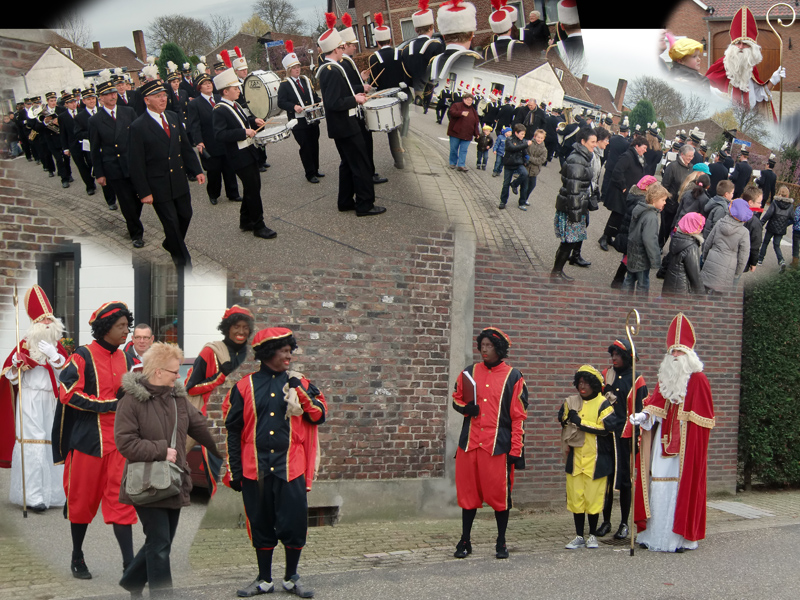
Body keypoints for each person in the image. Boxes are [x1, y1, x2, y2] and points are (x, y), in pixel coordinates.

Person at [224, 328, 327, 598]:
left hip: (290, 466)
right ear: (268, 353)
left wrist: (299, 392)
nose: (289, 356)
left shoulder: (301, 382)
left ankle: (292, 578)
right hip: (253, 468)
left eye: (290, 350)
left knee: (294, 523)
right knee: (260, 522)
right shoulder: (243, 387)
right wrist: (234, 470)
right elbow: (233, 431)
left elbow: (319, 416)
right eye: (284, 351)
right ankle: (264, 579)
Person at [115, 343, 221, 598]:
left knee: (161, 542)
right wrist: (161, 450)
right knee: (160, 544)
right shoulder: (130, 401)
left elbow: (200, 428)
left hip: (174, 481)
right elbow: (125, 443)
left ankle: (131, 580)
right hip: (146, 483)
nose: (179, 376)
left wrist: (226, 451)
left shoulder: (178, 399)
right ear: (158, 372)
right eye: (175, 371)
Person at [54, 302, 138, 579]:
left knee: (122, 503)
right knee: (81, 503)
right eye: (121, 327)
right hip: (88, 442)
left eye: (128, 325)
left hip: (119, 444)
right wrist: (108, 405)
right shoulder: (82, 356)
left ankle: (129, 564)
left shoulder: (127, 359)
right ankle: (77, 555)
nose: (127, 331)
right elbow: (66, 392)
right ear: (105, 329)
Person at [632, 313, 715, 552]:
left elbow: (704, 420)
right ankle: (654, 535)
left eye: (680, 352)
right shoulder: (664, 379)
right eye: (673, 352)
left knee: (682, 486)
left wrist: (688, 429)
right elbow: (656, 406)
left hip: (685, 446)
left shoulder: (698, 380)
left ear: (689, 354)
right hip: (661, 442)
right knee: (656, 483)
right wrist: (644, 416)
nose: (675, 356)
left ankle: (681, 538)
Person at [452, 327, 528, 560]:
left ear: (499, 349)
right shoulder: (469, 372)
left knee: (499, 497)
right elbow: (456, 398)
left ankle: (501, 541)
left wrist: (516, 450)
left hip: (497, 447)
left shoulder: (514, 377)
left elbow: (518, 417)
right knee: (468, 496)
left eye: (489, 346)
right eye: (482, 345)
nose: (484, 349)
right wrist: (467, 408)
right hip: (470, 445)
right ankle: (465, 540)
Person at [0, 286, 68, 511]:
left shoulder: (58, 348)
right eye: (43, 321)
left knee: (51, 444)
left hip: (51, 401)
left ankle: (54, 494)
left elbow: (68, 376)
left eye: (50, 320)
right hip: (28, 400)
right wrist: (18, 365)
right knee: (33, 444)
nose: (48, 324)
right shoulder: (24, 346)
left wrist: (55, 357)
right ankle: (34, 496)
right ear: (35, 325)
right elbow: (8, 375)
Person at [128, 72, 206, 268]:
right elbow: (135, 163)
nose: (164, 99)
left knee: (186, 215)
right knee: (170, 223)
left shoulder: (171, 117)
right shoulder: (138, 126)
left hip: (179, 179)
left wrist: (196, 169)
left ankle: (169, 242)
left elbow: (185, 147)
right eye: (158, 96)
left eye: (164, 95)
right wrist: (144, 192)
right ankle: (184, 264)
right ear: (147, 100)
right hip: (158, 185)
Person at [184, 305, 254, 494]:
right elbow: (190, 388)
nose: (241, 331)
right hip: (215, 425)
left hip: (246, 422)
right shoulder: (211, 352)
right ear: (227, 327)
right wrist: (219, 376)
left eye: (245, 327)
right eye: (236, 326)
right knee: (217, 478)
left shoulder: (253, 354)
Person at [210, 53, 281, 235]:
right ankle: (258, 226)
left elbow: (241, 121)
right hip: (238, 155)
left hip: (248, 151)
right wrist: (243, 132)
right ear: (225, 91)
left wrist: (253, 121)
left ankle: (245, 221)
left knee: (252, 188)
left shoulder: (235, 105)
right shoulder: (220, 110)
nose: (239, 91)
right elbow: (220, 134)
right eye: (235, 88)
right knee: (253, 189)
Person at [559, 365, 619, 549]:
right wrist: (569, 419)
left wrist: (581, 423)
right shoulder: (571, 401)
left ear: (594, 384)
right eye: (580, 382)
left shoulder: (603, 403)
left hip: (596, 460)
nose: (582, 386)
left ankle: (592, 535)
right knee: (576, 499)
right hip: (575, 459)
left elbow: (607, 429)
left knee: (593, 499)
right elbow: (563, 419)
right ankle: (579, 535)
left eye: (586, 383)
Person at [597, 340, 647, 539]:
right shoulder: (606, 375)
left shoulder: (637, 380)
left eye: (618, 355)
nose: (614, 358)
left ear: (627, 356)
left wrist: (636, 442)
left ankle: (624, 522)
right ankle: (606, 521)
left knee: (625, 481)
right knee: (605, 479)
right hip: (605, 435)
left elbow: (640, 412)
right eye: (613, 355)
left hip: (625, 438)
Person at [89, 72, 145, 245]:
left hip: (133, 163)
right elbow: (95, 149)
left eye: (114, 93)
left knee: (139, 198)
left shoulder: (128, 112)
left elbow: (139, 138)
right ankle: (136, 233)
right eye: (108, 94)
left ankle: (133, 221)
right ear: (101, 98)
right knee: (126, 202)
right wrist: (99, 173)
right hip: (114, 166)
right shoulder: (95, 120)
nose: (113, 96)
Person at [705, 6, 785, 121]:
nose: (741, 47)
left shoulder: (750, 68)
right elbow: (705, 87)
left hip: (748, 119)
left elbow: (758, 96)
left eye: (745, 43)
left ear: (753, 48)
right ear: (732, 45)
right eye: (738, 43)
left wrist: (773, 80)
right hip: (725, 119)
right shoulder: (722, 65)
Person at [187, 65, 242, 205]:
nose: (208, 85)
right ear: (199, 87)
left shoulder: (220, 98)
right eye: (204, 84)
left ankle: (233, 193)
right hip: (209, 142)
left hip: (225, 140)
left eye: (209, 83)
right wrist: (199, 141)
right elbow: (194, 125)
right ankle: (214, 194)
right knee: (214, 172)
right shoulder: (195, 104)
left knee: (229, 168)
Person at [367, 13, 412, 166]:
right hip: (404, 94)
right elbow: (408, 74)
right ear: (390, 40)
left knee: (392, 129)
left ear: (377, 42)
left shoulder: (374, 58)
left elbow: (374, 83)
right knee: (405, 124)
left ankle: (399, 161)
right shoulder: (401, 52)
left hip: (386, 98)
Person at [552, 127, 596, 282]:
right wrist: (575, 214)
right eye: (592, 142)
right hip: (571, 207)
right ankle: (556, 273)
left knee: (567, 243)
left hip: (573, 206)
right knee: (568, 243)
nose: (594, 145)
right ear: (583, 142)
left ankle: (558, 271)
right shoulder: (578, 159)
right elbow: (573, 190)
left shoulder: (582, 157)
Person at [277, 43, 324, 184]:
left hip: (312, 119)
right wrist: (293, 107)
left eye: (298, 67)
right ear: (288, 70)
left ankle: (315, 169)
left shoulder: (306, 80)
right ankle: (309, 173)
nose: (297, 70)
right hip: (298, 122)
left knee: (314, 144)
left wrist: (320, 100)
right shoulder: (284, 85)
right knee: (305, 147)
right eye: (294, 68)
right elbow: (281, 102)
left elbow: (314, 96)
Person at [601, 136, 648, 252]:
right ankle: (604, 237)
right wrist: (623, 188)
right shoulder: (627, 156)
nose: (645, 150)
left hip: (629, 191)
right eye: (644, 147)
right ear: (637, 146)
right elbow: (617, 172)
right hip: (621, 191)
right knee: (617, 215)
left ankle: (609, 237)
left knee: (621, 216)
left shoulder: (639, 157)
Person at [623, 183, 668, 294]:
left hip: (633, 250)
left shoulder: (639, 208)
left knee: (629, 279)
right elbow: (650, 240)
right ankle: (639, 306)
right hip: (642, 255)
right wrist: (655, 259)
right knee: (643, 284)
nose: (665, 202)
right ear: (654, 200)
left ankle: (623, 302)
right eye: (663, 200)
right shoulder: (651, 217)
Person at [701, 198, 752, 293]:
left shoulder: (720, 223)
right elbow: (743, 256)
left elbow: (708, 242)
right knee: (718, 297)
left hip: (711, 261)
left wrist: (704, 257)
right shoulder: (744, 232)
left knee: (703, 292)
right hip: (728, 269)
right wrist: (737, 272)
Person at [402, 1, 444, 113]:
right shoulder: (436, 46)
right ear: (431, 27)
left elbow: (406, 75)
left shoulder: (406, 49)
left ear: (415, 30)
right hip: (434, 95)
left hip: (414, 93)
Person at [59, 92, 96, 196]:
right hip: (73, 144)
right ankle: (89, 186)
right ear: (66, 104)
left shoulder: (82, 111)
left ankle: (93, 179)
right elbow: (63, 133)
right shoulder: (63, 116)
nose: (73, 104)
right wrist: (65, 148)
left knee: (90, 162)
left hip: (85, 143)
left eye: (74, 101)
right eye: (70, 103)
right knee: (81, 165)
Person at [659, 144, 695, 247]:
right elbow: (665, 185)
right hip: (671, 203)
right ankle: (659, 245)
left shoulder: (691, 168)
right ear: (682, 154)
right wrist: (664, 201)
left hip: (683, 204)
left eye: (692, 156)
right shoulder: (673, 166)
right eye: (689, 156)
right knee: (665, 227)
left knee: (676, 229)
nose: (691, 158)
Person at [662, 212, 706, 295]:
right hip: (682, 287)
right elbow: (694, 273)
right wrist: (701, 292)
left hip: (670, 283)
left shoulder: (676, 238)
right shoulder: (691, 247)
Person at [757, 185, 794, 271]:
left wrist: (760, 224)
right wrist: (785, 224)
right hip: (781, 229)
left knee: (765, 242)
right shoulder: (790, 206)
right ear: (787, 195)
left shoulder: (775, 203)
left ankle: (760, 259)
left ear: (779, 193)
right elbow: (793, 218)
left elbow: (768, 215)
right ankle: (781, 260)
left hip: (771, 227)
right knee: (777, 245)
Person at [498, 124, 531, 210]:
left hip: (518, 163)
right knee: (505, 184)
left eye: (524, 134)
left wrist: (526, 161)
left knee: (525, 174)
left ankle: (514, 184)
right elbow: (513, 148)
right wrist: (526, 144)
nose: (523, 136)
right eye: (522, 134)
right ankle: (503, 201)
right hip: (509, 164)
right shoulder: (509, 139)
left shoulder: (523, 142)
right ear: (516, 133)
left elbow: (524, 153)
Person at [513, 128, 547, 208]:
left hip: (535, 171)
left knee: (532, 185)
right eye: (538, 137)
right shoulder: (529, 144)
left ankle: (525, 198)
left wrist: (530, 159)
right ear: (535, 137)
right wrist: (526, 158)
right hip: (526, 168)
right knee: (525, 186)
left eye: (541, 138)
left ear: (543, 139)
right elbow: (524, 152)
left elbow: (542, 160)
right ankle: (521, 202)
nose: (539, 139)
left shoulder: (544, 149)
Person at [447, 91, 480, 171]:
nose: (469, 102)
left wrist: (477, 133)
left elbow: (476, 123)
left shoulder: (473, 110)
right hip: (456, 133)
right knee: (454, 149)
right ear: (464, 99)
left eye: (471, 100)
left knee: (464, 150)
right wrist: (461, 113)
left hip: (467, 134)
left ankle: (461, 165)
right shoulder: (457, 105)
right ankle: (452, 163)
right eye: (468, 100)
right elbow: (451, 112)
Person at [741, 185, 764, 273]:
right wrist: (753, 263)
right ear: (750, 202)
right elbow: (755, 246)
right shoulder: (755, 223)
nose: (761, 205)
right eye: (759, 202)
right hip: (741, 260)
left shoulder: (732, 213)